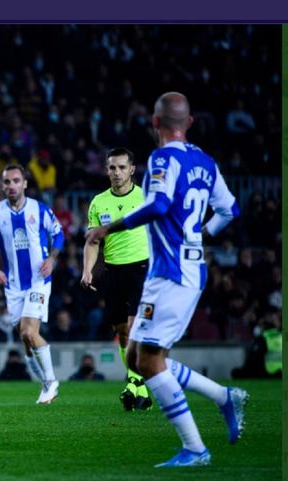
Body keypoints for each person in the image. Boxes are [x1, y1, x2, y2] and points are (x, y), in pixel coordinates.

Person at [85, 92, 247, 467]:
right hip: (174, 270)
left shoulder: (162, 157)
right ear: (189, 123)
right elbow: (230, 209)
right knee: (136, 356)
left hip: (175, 272)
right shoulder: (205, 162)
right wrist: (200, 236)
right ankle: (225, 397)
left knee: (151, 361)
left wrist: (110, 227)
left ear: (155, 123)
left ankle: (195, 448)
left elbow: (158, 206)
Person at [0, 164, 64, 404]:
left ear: (25, 183)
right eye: (7, 182)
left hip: (38, 280)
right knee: (25, 338)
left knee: (28, 331)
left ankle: (51, 382)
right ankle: (44, 382)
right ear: (2, 185)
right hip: (13, 286)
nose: (11, 186)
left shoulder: (40, 209)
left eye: (16, 181)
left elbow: (58, 234)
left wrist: (52, 258)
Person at [80, 147, 152, 411]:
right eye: (112, 167)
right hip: (113, 272)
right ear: (106, 169)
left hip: (142, 269)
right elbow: (92, 241)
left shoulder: (146, 197)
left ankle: (133, 382)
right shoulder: (99, 202)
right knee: (121, 333)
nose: (117, 172)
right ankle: (138, 386)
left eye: (122, 167)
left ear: (132, 169)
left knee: (133, 329)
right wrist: (87, 270)